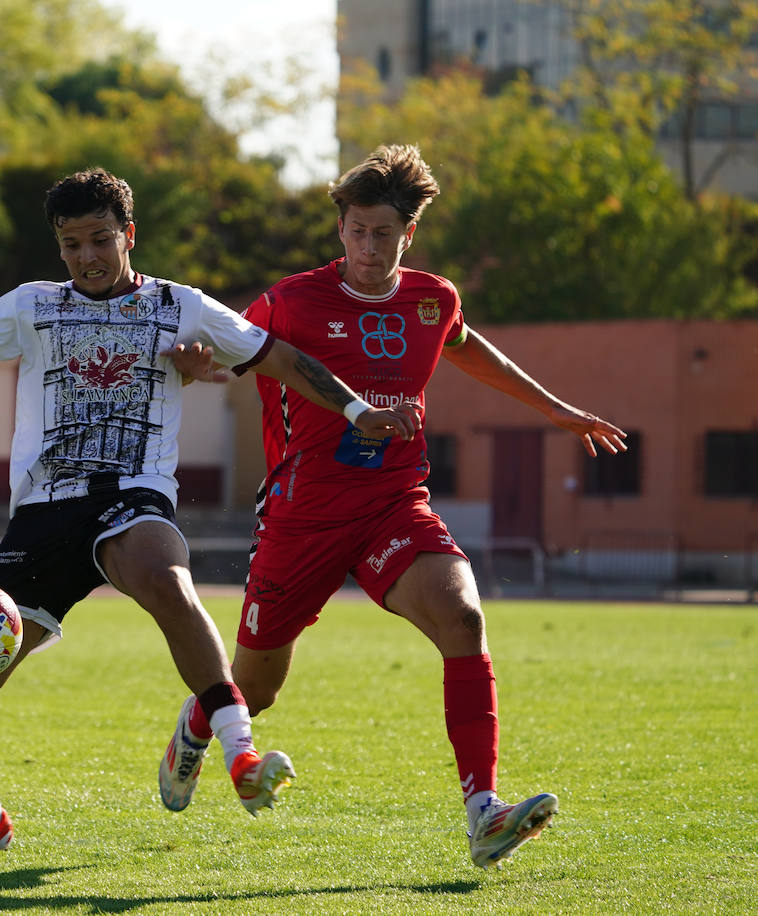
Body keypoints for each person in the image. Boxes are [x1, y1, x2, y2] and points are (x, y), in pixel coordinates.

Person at [0, 167, 418, 881]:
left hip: (131, 496)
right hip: (42, 516)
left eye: (100, 240)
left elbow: (281, 359)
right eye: (71, 243)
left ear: (129, 235)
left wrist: (359, 411)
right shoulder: (30, 306)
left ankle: (239, 753)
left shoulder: (180, 305)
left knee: (165, 579)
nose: (86, 256)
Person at [157, 145, 628, 869]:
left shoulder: (433, 299)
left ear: (409, 232)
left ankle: (483, 812)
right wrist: (196, 368)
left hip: (394, 505)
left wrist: (556, 410)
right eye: (357, 231)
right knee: (255, 689)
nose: (368, 248)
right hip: (302, 518)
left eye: (383, 233)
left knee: (463, 618)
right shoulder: (290, 301)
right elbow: (228, 352)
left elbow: (469, 348)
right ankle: (196, 729)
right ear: (340, 228)